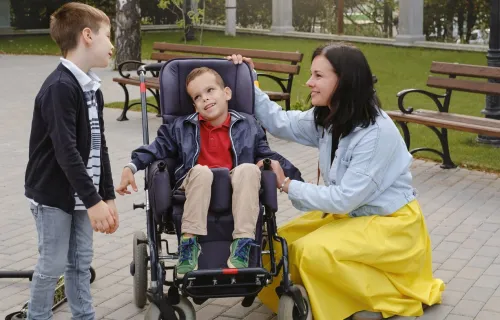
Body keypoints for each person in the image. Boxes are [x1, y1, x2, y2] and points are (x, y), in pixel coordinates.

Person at [226, 43, 445, 320]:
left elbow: (345, 198)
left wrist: (287, 184)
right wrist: (248, 76)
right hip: (350, 217)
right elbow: (279, 121)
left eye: (318, 76)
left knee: (310, 252)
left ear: (344, 81)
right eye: (311, 75)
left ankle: (370, 300)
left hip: (391, 225)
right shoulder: (331, 117)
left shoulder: (376, 134)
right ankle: (311, 297)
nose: (309, 83)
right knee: (280, 244)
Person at [116, 66, 301, 278]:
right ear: (194, 105)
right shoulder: (181, 127)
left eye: (210, 90)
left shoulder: (248, 125)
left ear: (227, 93)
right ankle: (189, 244)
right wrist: (131, 166)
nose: (205, 98)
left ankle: (242, 244)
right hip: (194, 185)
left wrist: (295, 181)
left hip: (235, 188)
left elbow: (268, 154)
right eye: (198, 96)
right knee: (202, 172)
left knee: (249, 169)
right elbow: (156, 148)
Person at [24, 2, 118, 319]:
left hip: (82, 193)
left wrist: (107, 195)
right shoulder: (60, 87)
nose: (112, 45)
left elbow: (99, 144)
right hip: (53, 194)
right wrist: (94, 201)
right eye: (109, 35)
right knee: (52, 265)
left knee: (80, 263)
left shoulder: (91, 87)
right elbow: (66, 151)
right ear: (88, 36)